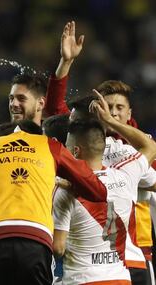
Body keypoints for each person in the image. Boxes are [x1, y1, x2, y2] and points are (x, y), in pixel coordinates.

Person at [0, 106, 110, 284]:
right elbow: (98, 191)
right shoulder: (50, 146)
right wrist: (68, 183)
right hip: (35, 243)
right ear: (39, 135)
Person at [53, 111, 156, 284]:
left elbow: (58, 248)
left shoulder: (65, 190)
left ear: (76, 152)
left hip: (81, 279)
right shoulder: (126, 175)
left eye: (67, 148)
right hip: (120, 278)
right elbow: (150, 147)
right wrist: (110, 120)